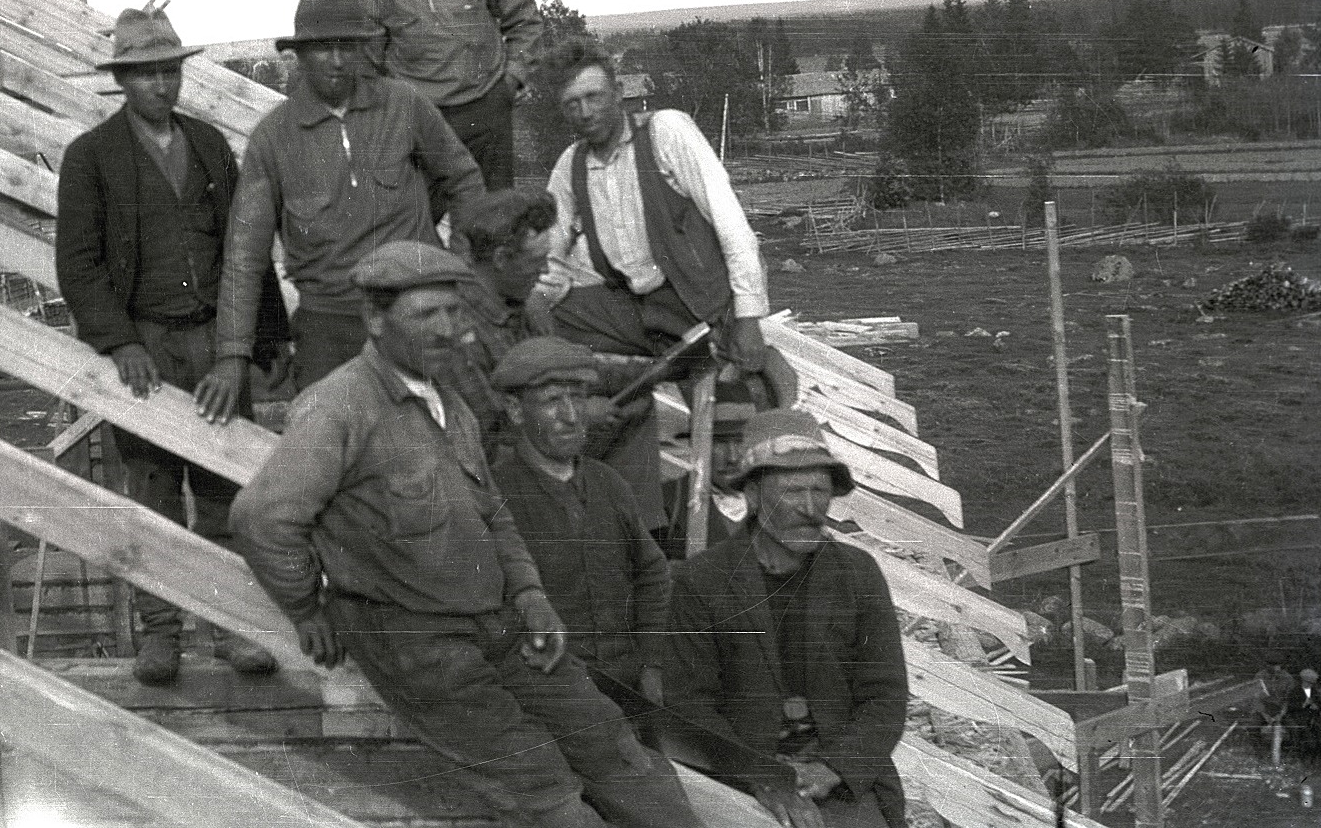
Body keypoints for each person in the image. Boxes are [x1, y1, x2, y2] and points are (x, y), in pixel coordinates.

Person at [231, 243, 696, 828]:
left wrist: (530, 594)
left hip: (497, 621)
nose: (449, 329)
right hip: (419, 643)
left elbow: (493, 513)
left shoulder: (451, 403)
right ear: (376, 320)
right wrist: (306, 611)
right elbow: (261, 518)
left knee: (616, 749)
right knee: (545, 792)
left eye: (455, 312)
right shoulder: (338, 408)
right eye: (428, 315)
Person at [54, 7, 288, 685]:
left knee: (223, 492)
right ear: (121, 80)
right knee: (153, 493)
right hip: (147, 346)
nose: (161, 84)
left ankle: (231, 630)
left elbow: (245, 250)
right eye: (146, 74)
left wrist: (255, 340)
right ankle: (160, 637)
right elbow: (79, 264)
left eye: (169, 71)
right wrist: (120, 341)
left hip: (214, 338)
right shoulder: (91, 157)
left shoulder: (210, 145)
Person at [534, 34, 795, 536]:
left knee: (752, 417)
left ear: (617, 92)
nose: (586, 111)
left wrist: (748, 318)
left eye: (594, 96)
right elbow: (548, 252)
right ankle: (636, 520)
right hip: (635, 310)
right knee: (556, 334)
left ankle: (762, 506)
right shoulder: (569, 167)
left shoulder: (667, 132)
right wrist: (539, 296)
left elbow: (731, 223)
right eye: (572, 104)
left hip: (698, 305)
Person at [197, 0, 483, 411]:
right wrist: (232, 354)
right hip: (330, 322)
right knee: (330, 438)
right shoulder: (273, 139)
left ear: (362, 49)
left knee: (453, 424)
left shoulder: (404, 105)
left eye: (347, 47)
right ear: (299, 55)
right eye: (321, 48)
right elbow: (244, 256)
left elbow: (464, 179)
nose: (336, 61)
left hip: (417, 309)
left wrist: (455, 267)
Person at [663, 410, 908, 828]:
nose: (811, 509)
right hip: (738, 775)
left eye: (820, 491)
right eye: (793, 492)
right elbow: (690, 705)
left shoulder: (856, 573)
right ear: (754, 497)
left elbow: (885, 696)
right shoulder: (700, 581)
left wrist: (832, 768)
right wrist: (764, 779)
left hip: (839, 775)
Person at [488, 338, 673, 749]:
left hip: (626, 685)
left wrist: (652, 663)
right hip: (549, 690)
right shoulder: (495, 496)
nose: (571, 417)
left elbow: (653, 574)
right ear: (516, 411)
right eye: (552, 401)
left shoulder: (610, 484)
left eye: (578, 398)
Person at [359, 0, 542, 191]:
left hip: (487, 113)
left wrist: (512, 80)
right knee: (418, 219)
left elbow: (525, 19)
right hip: (423, 123)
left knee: (496, 216)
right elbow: (366, 66)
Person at [447, 188, 559, 453]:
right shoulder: (460, 330)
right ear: (501, 258)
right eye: (536, 261)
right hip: (503, 457)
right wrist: (583, 416)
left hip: (538, 429)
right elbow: (493, 430)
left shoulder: (531, 307)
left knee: (636, 404)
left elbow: (562, 367)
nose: (545, 270)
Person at [1254, 656, 1294, 762]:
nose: (1273, 668)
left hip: (1281, 709)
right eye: (1270, 665)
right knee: (1252, 725)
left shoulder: (1288, 678)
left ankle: (1289, 752)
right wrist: (1265, 715)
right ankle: (1260, 753)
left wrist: (1280, 715)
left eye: (1276, 666)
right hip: (1265, 709)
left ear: (1280, 666)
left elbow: (1288, 699)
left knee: (1294, 727)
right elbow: (1257, 699)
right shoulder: (1260, 676)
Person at [1289, 668, 1321, 767]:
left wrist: (1317, 706)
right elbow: (1290, 707)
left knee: (1319, 735)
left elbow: (1320, 705)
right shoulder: (1295, 691)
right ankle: (1302, 760)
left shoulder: (1314, 691)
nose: (1311, 685)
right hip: (1298, 718)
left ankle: (1316, 760)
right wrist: (1303, 705)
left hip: (1312, 719)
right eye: (1309, 682)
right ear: (1303, 680)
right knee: (1305, 737)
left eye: (1313, 683)